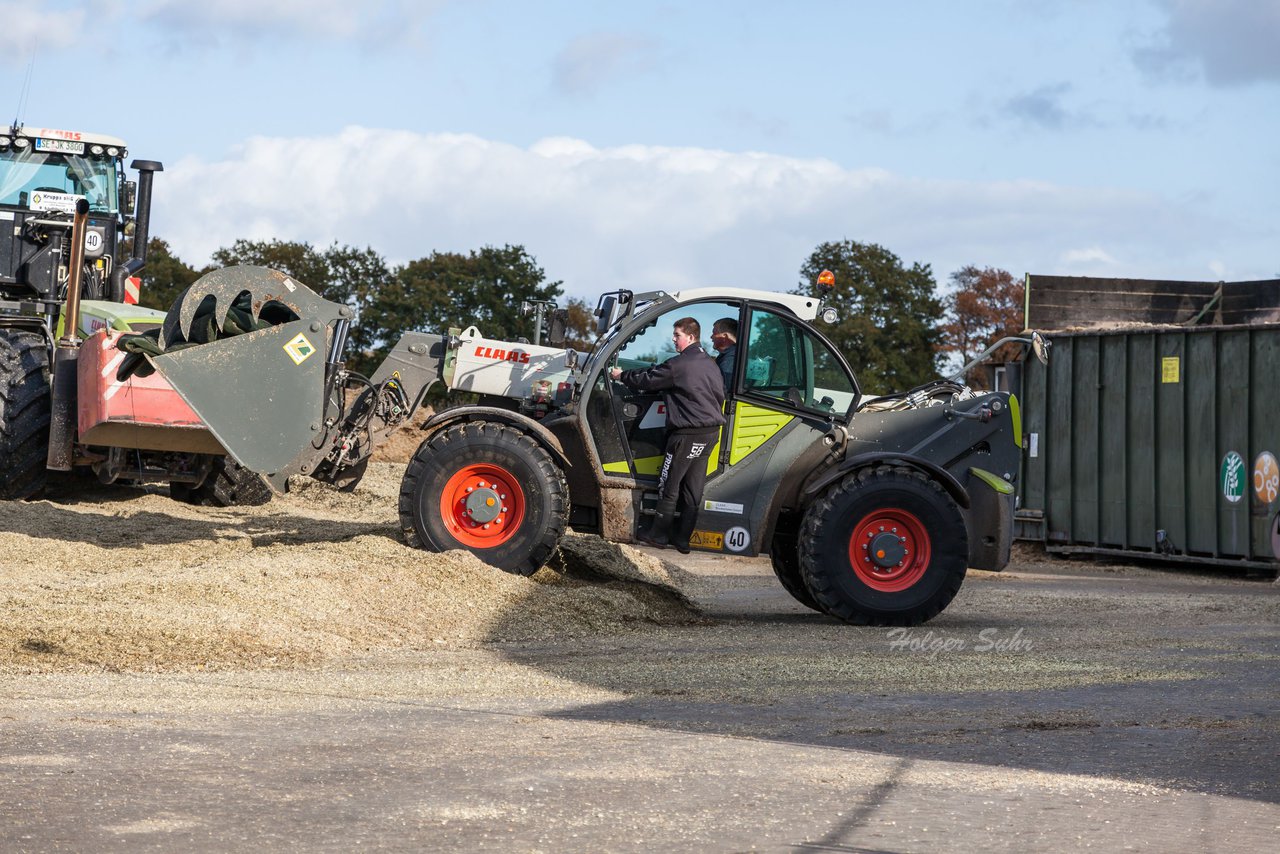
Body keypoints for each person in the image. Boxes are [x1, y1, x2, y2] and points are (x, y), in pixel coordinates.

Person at [610, 317, 725, 553]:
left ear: (690, 337)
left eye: (677, 335)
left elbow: (650, 378)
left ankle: (658, 536)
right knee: (693, 489)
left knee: (669, 485)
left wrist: (622, 376)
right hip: (710, 433)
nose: (674, 339)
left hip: (686, 434)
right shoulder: (710, 364)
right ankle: (682, 540)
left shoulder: (681, 364)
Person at [710, 317, 738, 393]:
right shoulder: (731, 356)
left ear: (724, 336)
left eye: (714, 333)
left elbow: (722, 391)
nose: (711, 337)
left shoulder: (730, 360)